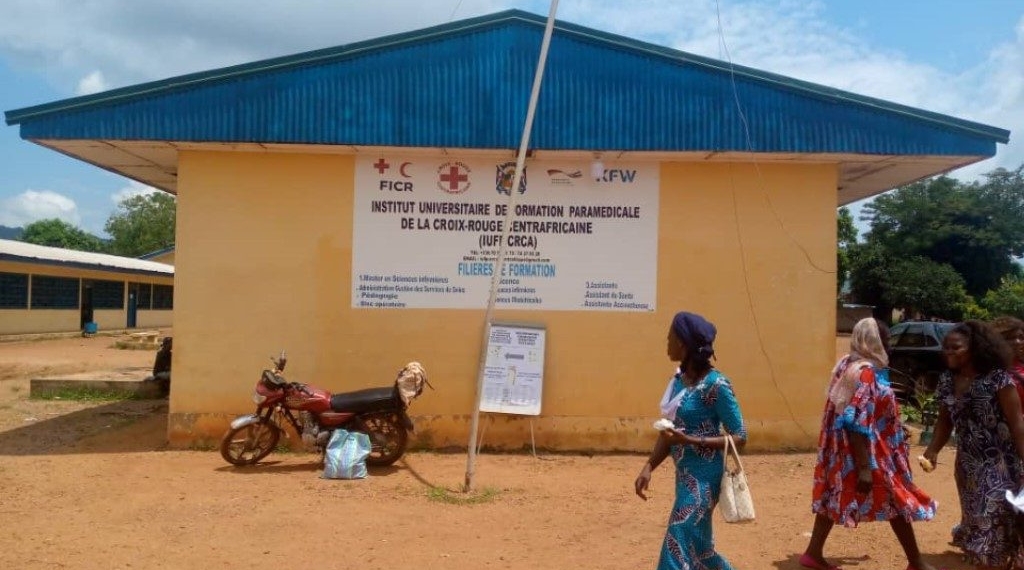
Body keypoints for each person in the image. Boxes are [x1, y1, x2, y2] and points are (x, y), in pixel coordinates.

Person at [801, 317, 938, 570]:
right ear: (874, 341)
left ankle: (813, 552)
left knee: (834, 493)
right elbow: (855, 421)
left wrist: (894, 425)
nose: (887, 346)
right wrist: (864, 467)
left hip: (851, 449)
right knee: (896, 498)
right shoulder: (865, 373)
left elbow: (859, 410)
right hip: (867, 452)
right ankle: (916, 561)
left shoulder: (847, 364)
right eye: (885, 341)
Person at [634, 311, 746, 570]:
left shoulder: (716, 386)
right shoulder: (677, 382)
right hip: (684, 476)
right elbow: (669, 432)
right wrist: (649, 466)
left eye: (670, 337)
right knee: (701, 549)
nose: (667, 342)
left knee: (679, 533)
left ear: (683, 344)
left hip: (705, 480)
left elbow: (740, 436)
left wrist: (693, 440)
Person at [923, 320, 1024, 570]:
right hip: (968, 469)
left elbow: (1017, 425)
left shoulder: (998, 379)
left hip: (1001, 467)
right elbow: (944, 421)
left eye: (955, 348)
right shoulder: (948, 379)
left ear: (974, 348)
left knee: (990, 529)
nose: (948, 352)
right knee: (980, 527)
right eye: (945, 348)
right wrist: (933, 449)